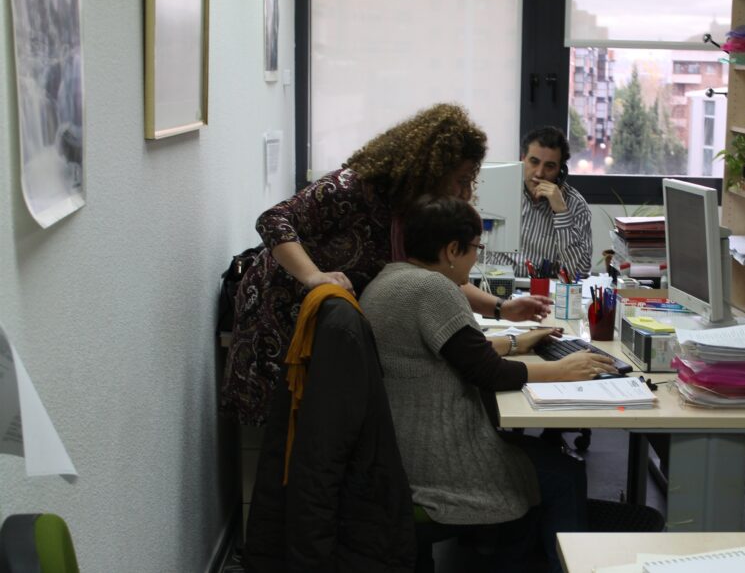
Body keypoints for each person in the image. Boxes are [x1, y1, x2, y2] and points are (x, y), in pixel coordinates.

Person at [222, 103, 552, 426]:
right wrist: (314, 276)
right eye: (461, 180)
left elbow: (433, 273)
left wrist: (501, 308)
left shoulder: (410, 212)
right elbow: (273, 220)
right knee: (279, 435)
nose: (466, 193)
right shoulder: (351, 188)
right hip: (280, 312)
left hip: (328, 327)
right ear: (432, 170)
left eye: (471, 182)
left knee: (313, 437)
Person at [360, 197, 615, 572]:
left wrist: (516, 342)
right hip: (435, 465)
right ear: (452, 250)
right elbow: (490, 373)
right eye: (476, 248)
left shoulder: (391, 279)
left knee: (540, 465)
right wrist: (564, 368)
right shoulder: (434, 289)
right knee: (565, 474)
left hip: (401, 452)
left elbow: (456, 349)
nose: (476, 258)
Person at [486, 126, 593, 277]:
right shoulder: (498, 191)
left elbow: (580, 271)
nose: (539, 173)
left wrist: (561, 212)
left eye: (550, 166)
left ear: (561, 170)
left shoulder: (576, 205)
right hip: (498, 285)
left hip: (544, 289)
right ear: (523, 159)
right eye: (534, 162)